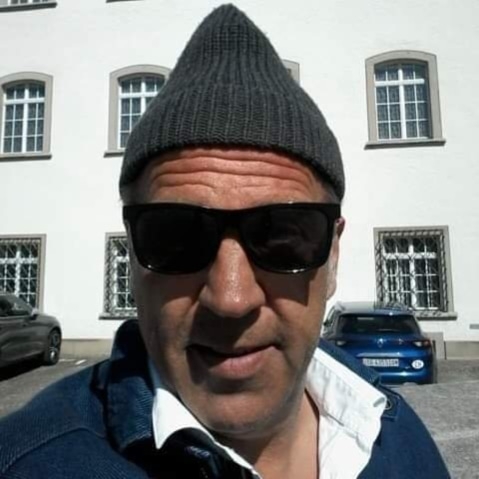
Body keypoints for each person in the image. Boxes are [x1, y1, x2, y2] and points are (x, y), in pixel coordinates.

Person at [0, 5, 450, 479]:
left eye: (282, 238)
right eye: (176, 238)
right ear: (132, 256)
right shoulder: (28, 466)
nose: (231, 299)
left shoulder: (396, 435)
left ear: (333, 256)